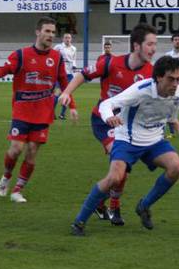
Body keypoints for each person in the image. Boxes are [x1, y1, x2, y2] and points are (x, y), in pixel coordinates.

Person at [70, 56, 179, 236]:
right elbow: (106, 104)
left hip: (154, 140)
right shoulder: (140, 90)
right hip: (128, 139)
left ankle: (144, 206)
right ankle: (79, 221)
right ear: (158, 77)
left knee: (176, 167)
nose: (175, 83)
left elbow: (171, 112)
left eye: (177, 79)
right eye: (170, 79)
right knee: (114, 178)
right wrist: (109, 116)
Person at [59, 24, 156, 225]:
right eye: (150, 44)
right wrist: (67, 93)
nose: (154, 49)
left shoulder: (151, 72)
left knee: (122, 169)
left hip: (128, 126)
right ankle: (113, 207)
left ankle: (103, 205)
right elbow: (82, 75)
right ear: (137, 46)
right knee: (121, 164)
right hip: (103, 121)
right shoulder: (111, 63)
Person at [0, 17, 76, 203]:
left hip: (43, 112)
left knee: (32, 151)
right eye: (47, 31)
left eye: (53, 32)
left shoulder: (57, 58)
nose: (51, 35)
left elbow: (65, 83)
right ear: (38, 32)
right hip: (22, 110)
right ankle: (7, 176)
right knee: (16, 149)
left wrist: (72, 105)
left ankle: (18, 190)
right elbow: (7, 69)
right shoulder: (21, 54)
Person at [53, 33, 77, 120]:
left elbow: (74, 59)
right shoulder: (58, 47)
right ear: (63, 39)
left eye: (69, 38)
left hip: (70, 74)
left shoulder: (73, 48)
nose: (67, 39)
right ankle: (51, 113)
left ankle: (62, 114)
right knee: (57, 92)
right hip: (60, 73)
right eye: (66, 37)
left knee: (67, 93)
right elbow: (52, 56)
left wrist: (74, 65)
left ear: (71, 39)